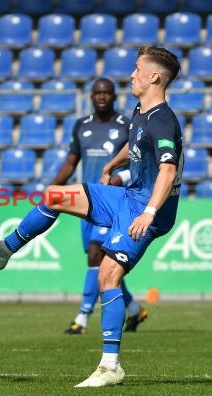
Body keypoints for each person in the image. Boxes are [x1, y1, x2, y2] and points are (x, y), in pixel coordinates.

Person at [0, 46, 182, 387]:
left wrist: (148, 212)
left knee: (107, 277)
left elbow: (168, 170)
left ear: (154, 77)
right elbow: (134, 147)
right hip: (125, 196)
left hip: (145, 210)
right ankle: (4, 250)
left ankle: (110, 366)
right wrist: (115, 164)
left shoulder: (161, 118)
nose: (131, 75)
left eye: (137, 69)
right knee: (55, 196)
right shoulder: (140, 112)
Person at [53, 78, 147, 335]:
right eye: (98, 93)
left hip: (114, 201)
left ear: (114, 96)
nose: (102, 96)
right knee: (105, 261)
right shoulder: (81, 125)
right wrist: (53, 189)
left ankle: (82, 318)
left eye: (107, 93)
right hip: (86, 201)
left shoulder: (126, 125)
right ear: (91, 97)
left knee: (96, 254)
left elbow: (138, 163)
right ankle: (135, 309)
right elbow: (71, 163)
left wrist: (119, 177)